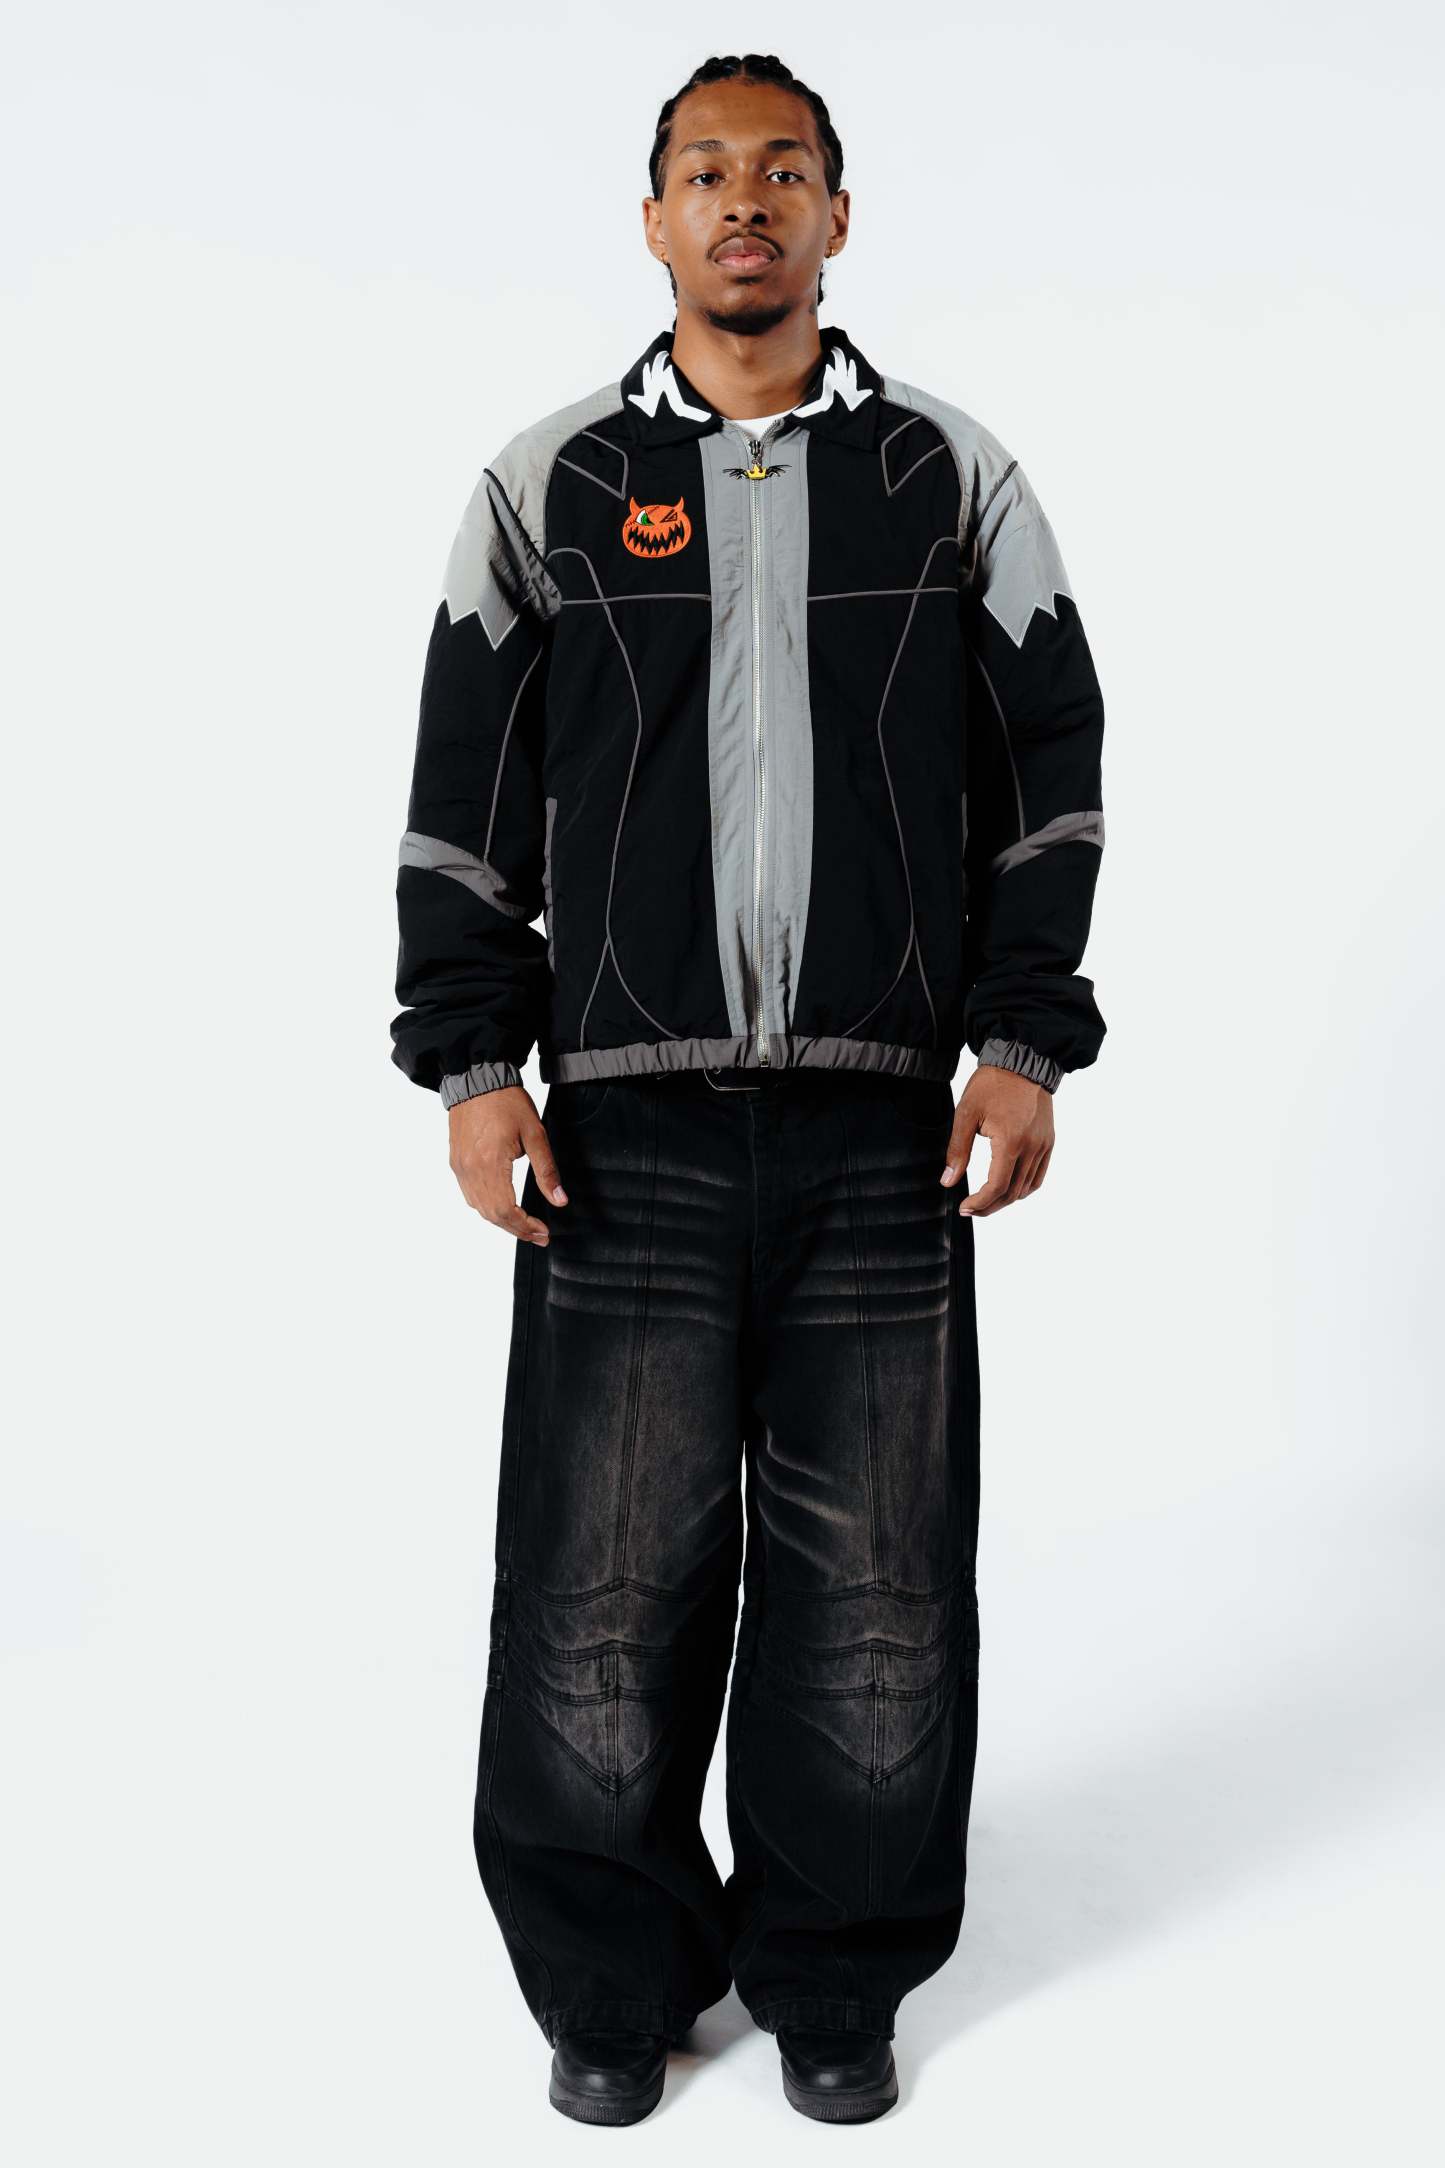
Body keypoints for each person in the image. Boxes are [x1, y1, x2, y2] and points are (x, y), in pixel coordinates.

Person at [391, 51, 1106, 2127]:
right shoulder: (547, 486)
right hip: (622, 1128)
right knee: (599, 1584)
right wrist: (472, 1064)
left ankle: (836, 1978)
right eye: (705, 169)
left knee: (877, 1588)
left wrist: (1018, 1040)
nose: (745, 201)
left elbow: (1050, 777)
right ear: (653, 219)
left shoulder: (948, 481)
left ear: (837, 216)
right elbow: (459, 803)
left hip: (888, 1125)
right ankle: (611, 1988)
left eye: (784, 168)